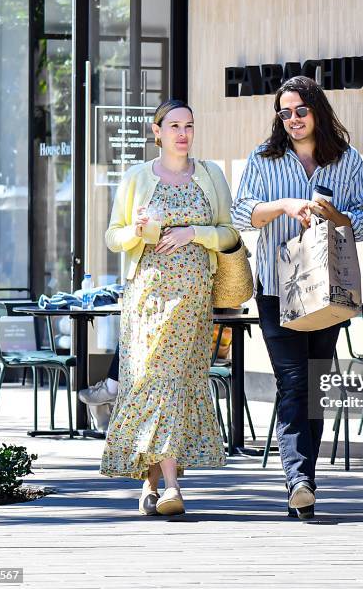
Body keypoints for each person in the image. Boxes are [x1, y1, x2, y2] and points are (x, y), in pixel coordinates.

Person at [231, 76, 363, 519]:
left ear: (317, 111)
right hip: (277, 286)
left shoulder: (346, 160)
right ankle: (300, 480)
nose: (292, 119)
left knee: (313, 384)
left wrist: (338, 216)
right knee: (292, 381)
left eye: (300, 110)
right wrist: (286, 206)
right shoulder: (263, 158)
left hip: (328, 286)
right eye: (285, 112)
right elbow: (241, 213)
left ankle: (303, 482)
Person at [100, 99, 239, 516]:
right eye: (174, 126)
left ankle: (155, 485)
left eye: (189, 126)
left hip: (194, 299)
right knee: (150, 382)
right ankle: (170, 487)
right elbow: (113, 237)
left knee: (174, 385)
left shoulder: (211, 175)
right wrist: (137, 232)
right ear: (157, 131)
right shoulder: (137, 177)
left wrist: (194, 233)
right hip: (147, 297)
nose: (183, 133)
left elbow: (230, 233)